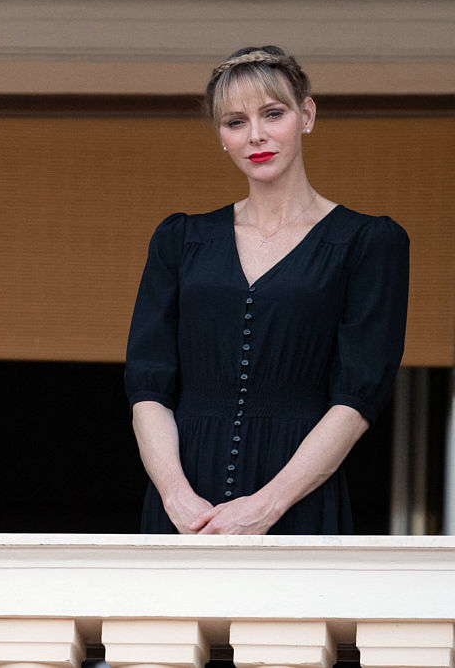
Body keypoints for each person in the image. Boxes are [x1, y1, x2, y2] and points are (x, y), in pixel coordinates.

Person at [125, 46, 409, 535]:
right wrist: (176, 496)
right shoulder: (179, 239)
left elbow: (357, 399)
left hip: (299, 501)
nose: (255, 135)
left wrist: (269, 504)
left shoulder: (368, 243)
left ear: (307, 115)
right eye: (235, 122)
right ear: (221, 136)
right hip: (184, 511)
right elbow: (148, 386)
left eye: (272, 114)